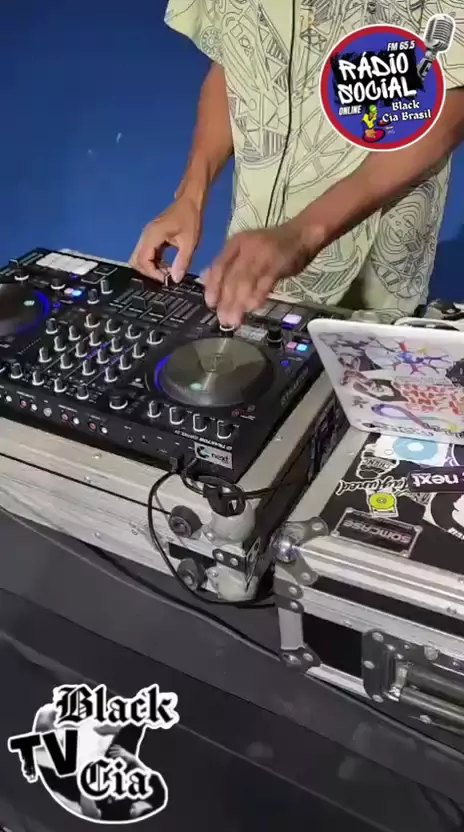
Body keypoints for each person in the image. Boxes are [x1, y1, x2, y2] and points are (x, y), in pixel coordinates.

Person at [130, 1, 464, 329]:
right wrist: (191, 194)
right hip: (250, 265)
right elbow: (233, 54)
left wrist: (305, 233)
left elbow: (452, 102)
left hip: (367, 278)